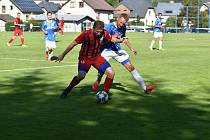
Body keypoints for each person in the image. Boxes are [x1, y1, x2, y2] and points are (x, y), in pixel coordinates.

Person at [56, 20, 126, 98]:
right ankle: (68, 89)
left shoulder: (104, 33)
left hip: (96, 57)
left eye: (100, 31)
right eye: (97, 31)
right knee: (81, 76)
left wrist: (120, 40)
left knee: (111, 73)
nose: (99, 33)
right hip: (85, 58)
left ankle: (104, 93)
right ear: (93, 28)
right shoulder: (86, 34)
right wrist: (63, 54)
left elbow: (112, 39)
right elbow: (73, 43)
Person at [92, 13, 155, 96]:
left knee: (131, 67)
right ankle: (98, 80)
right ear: (117, 19)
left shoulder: (123, 27)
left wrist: (132, 48)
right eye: (121, 23)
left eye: (124, 23)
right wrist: (113, 38)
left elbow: (124, 39)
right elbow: (101, 41)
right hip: (106, 50)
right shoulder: (109, 27)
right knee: (103, 69)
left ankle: (145, 88)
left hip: (117, 50)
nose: (122, 25)